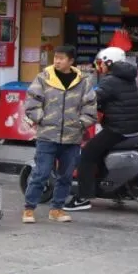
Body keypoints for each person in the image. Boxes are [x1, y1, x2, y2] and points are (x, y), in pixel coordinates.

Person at [22, 44, 97, 224]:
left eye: (61, 58)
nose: (57, 61)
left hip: (72, 138)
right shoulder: (43, 78)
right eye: (56, 57)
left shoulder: (83, 81)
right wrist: (42, 119)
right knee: (41, 173)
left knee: (66, 176)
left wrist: (81, 124)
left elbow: (90, 107)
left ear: (71, 61)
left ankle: (57, 209)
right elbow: (32, 102)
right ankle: (29, 209)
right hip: (47, 136)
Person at [65, 46, 138, 211]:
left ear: (109, 63)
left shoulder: (110, 81)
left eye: (101, 63)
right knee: (100, 152)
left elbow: (92, 99)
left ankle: (83, 197)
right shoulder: (128, 77)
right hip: (131, 127)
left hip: (117, 129)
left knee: (87, 154)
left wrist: (73, 105)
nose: (99, 67)